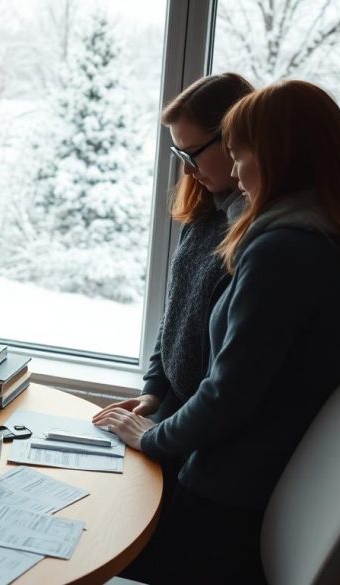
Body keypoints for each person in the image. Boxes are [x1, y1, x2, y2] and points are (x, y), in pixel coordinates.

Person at [93, 80, 340, 584]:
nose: (236, 173)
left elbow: (228, 393)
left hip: (228, 498)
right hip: (282, 480)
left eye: (239, 155)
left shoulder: (281, 250)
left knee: (101, 541)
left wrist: (153, 438)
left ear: (278, 155)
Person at [107, 73, 253, 502]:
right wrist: (152, 390)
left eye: (193, 153)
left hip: (199, 432)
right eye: (178, 153)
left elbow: (227, 379)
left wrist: (158, 430)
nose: (187, 168)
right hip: (174, 410)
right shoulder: (207, 212)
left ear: (234, 141)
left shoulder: (252, 235)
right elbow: (176, 317)